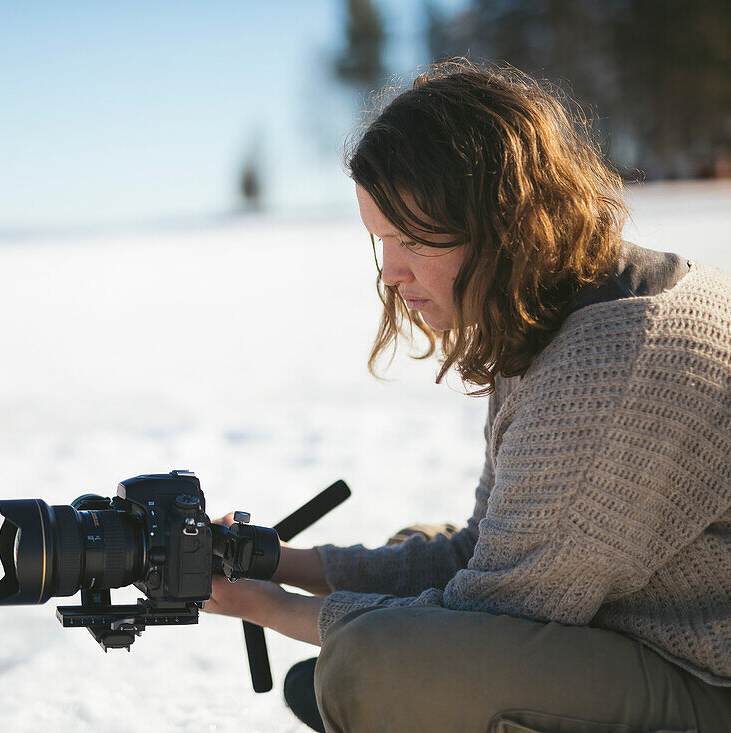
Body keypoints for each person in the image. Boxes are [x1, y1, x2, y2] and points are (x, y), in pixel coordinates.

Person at [204, 60, 731, 732]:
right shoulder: (566, 301)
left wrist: (273, 608)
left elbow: (496, 612)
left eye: (412, 240)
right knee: (407, 569)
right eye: (380, 241)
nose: (392, 273)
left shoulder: (611, 365)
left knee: (371, 663)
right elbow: (477, 553)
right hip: (633, 629)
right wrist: (276, 561)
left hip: (706, 676)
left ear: (499, 221)